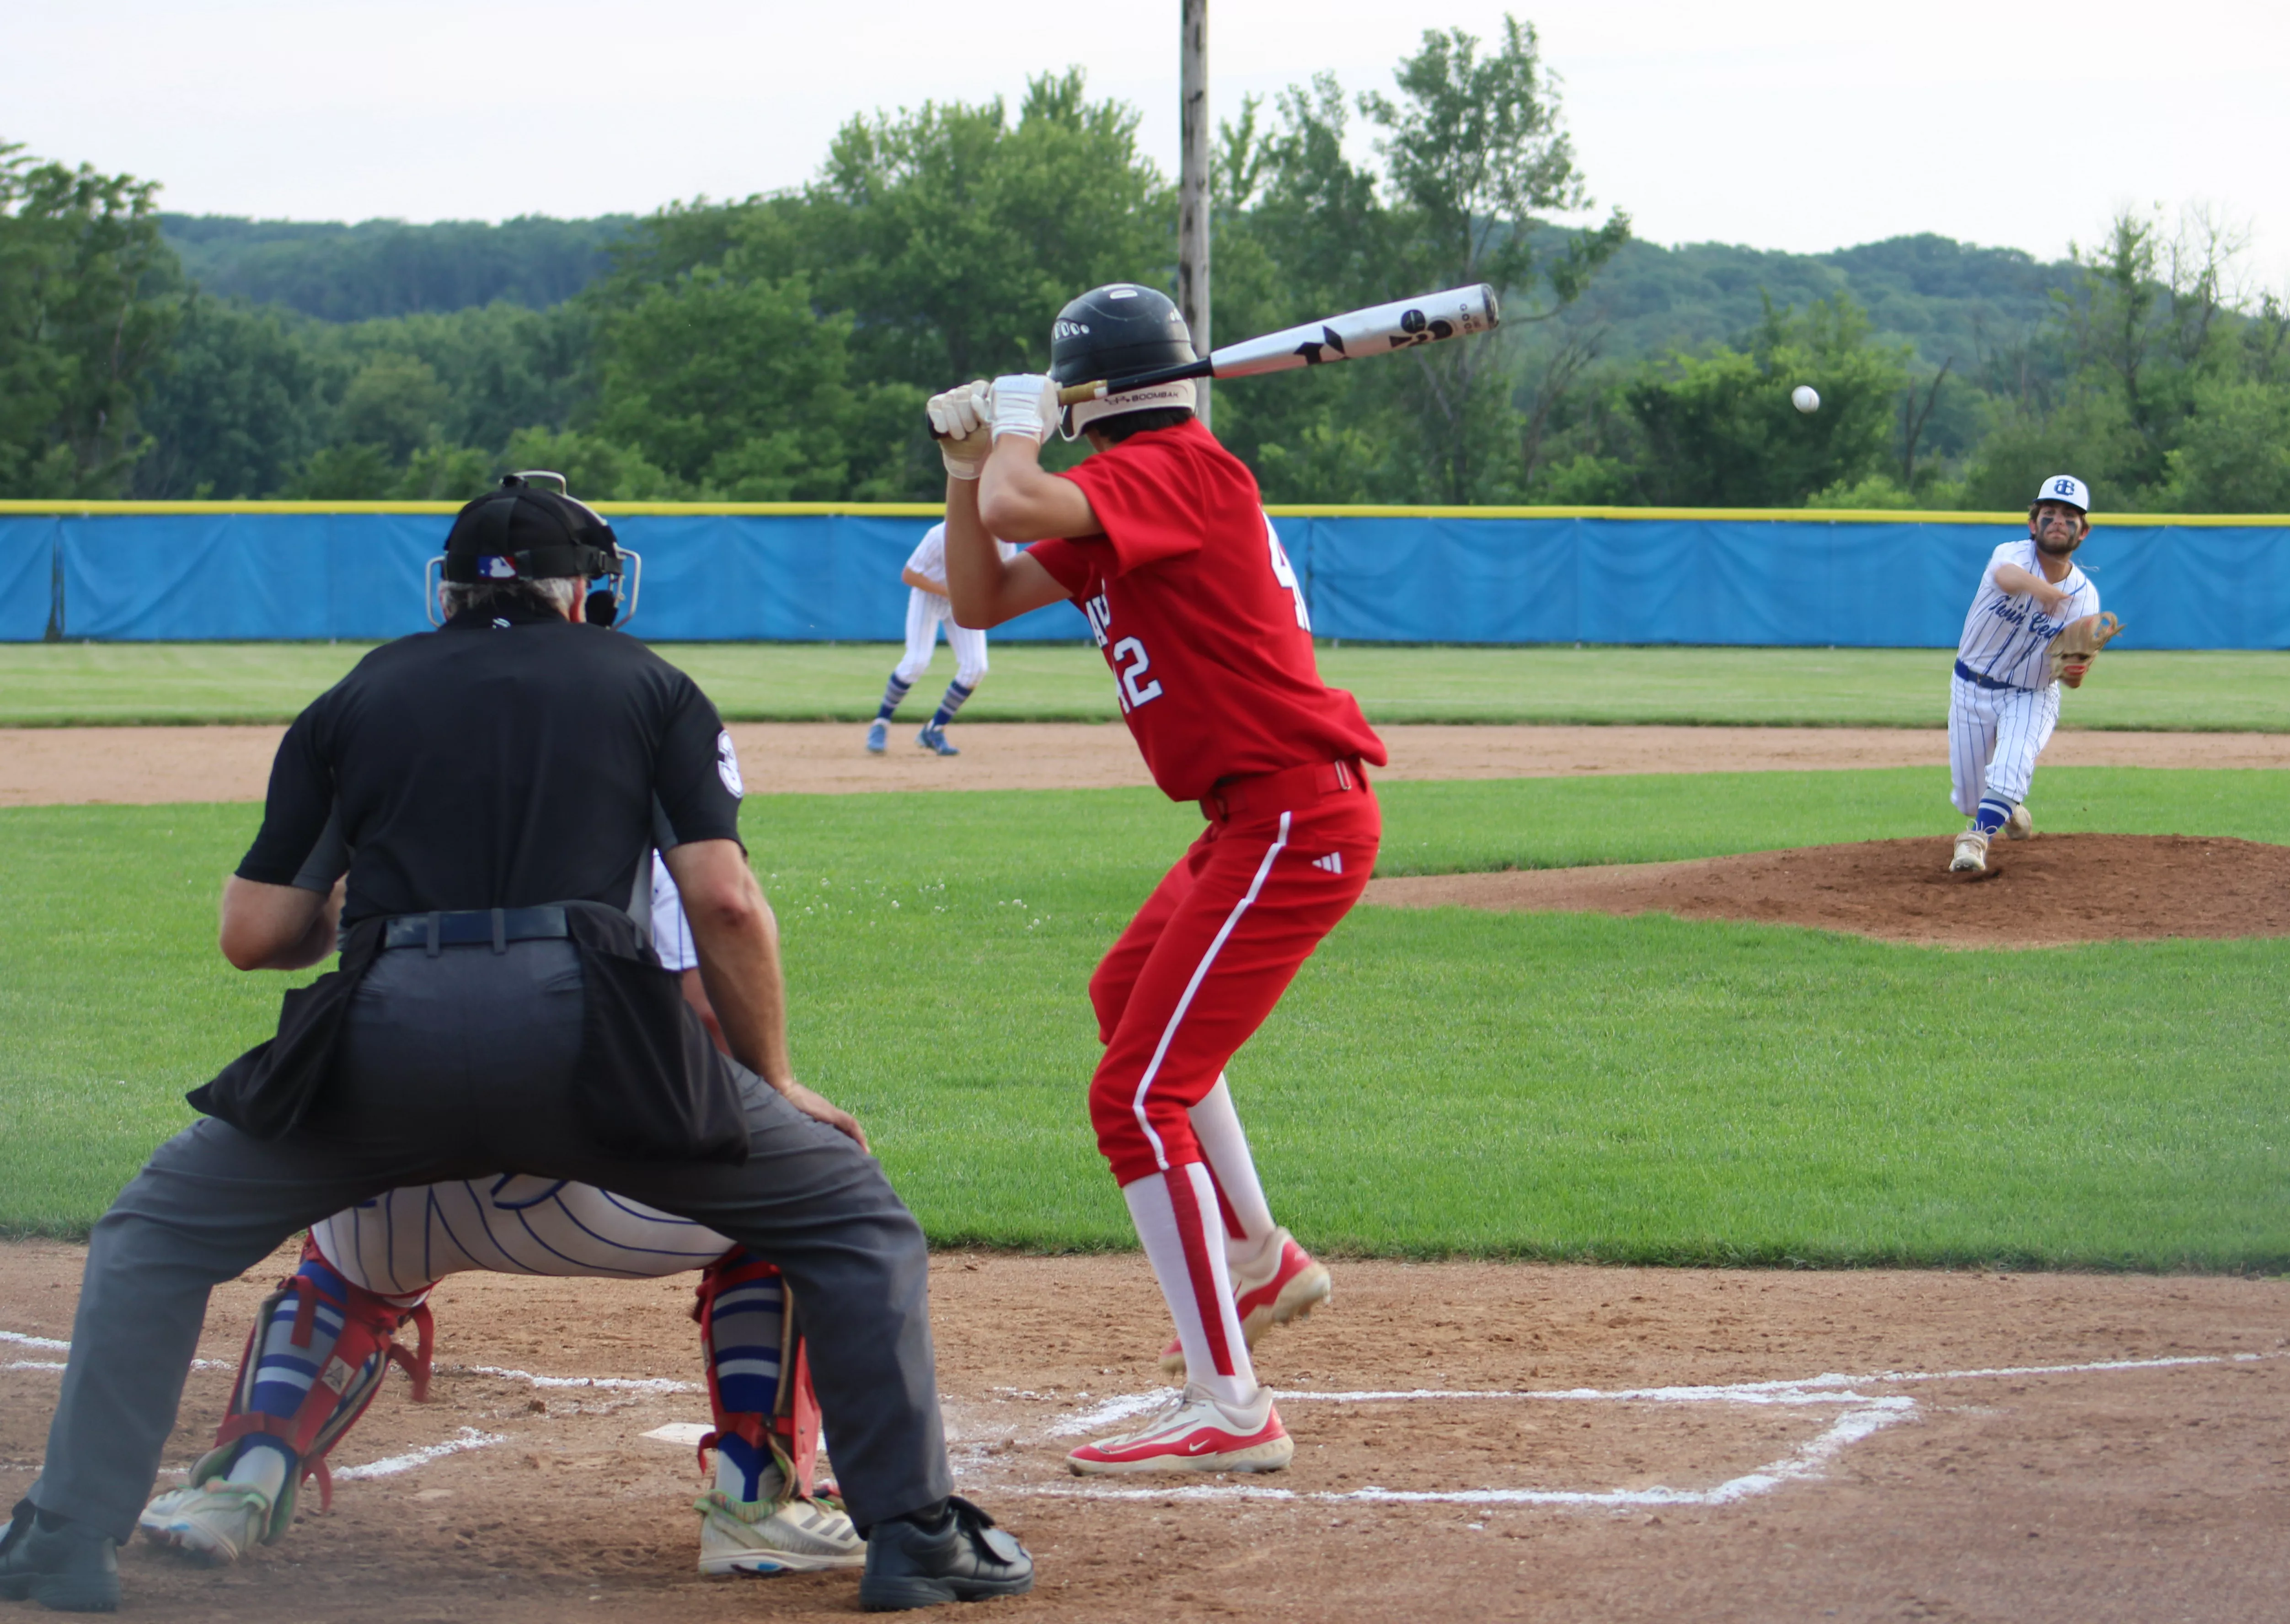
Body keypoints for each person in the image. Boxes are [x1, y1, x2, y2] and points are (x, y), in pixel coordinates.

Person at [0, 477, 1028, 1614]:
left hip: (385, 1044)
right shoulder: (651, 686)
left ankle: (69, 1532)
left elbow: (256, 936)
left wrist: (383, 911)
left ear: (444, 592)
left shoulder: (358, 695)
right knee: (849, 1214)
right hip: (589, 1041)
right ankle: (905, 1533)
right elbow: (724, 904)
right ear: (588, 592)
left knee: (152, 1232)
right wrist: (774, 1080)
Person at [927, 284, 1377, 1477]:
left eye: (1058, 389)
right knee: (1127, 994)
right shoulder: (1138, 493)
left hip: (1290, 812)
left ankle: (1230, 1404)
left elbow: (1028, 495)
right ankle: (1259, 1252)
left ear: (1088, 396)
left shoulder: (1179, 466)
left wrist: (1012, 435)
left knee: (1133, 1099)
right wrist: (965, 466)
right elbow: (979, 593)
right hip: (1252, 817)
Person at [135, 860, 867, 1581]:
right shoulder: (631, 812)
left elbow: (255, 933)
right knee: (791, 1201)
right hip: (584, 1182)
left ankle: (240, 1482)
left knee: (342, 1261)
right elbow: (709, 995)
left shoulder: (386, 783)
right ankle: (756, 1500)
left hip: (387, 1186)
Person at [1945, 474, 2104, 875]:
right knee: (1971, 797)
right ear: (2033, 525)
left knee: (2011, 764)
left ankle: (1975, 840)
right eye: (2048, 513)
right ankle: (2007, 805)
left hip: (2032, 693)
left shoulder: (2086, 598)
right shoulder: (2011, 555)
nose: (2058, 520)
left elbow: (2073, 677)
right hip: (1972, 686)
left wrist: (2076, 669)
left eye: (2070, 516)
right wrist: (2048, 593)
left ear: (2083, 532)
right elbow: (2007, 579)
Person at [867, 522, 1011, 756]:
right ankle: (881, 723)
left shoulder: (1003, 539)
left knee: (976, 668)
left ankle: (934, 730)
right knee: (917, 661)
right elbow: (910, 574)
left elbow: (1002, 575)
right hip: (929, 598)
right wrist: (954, 594)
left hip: (964, 604)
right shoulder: (940, 535)